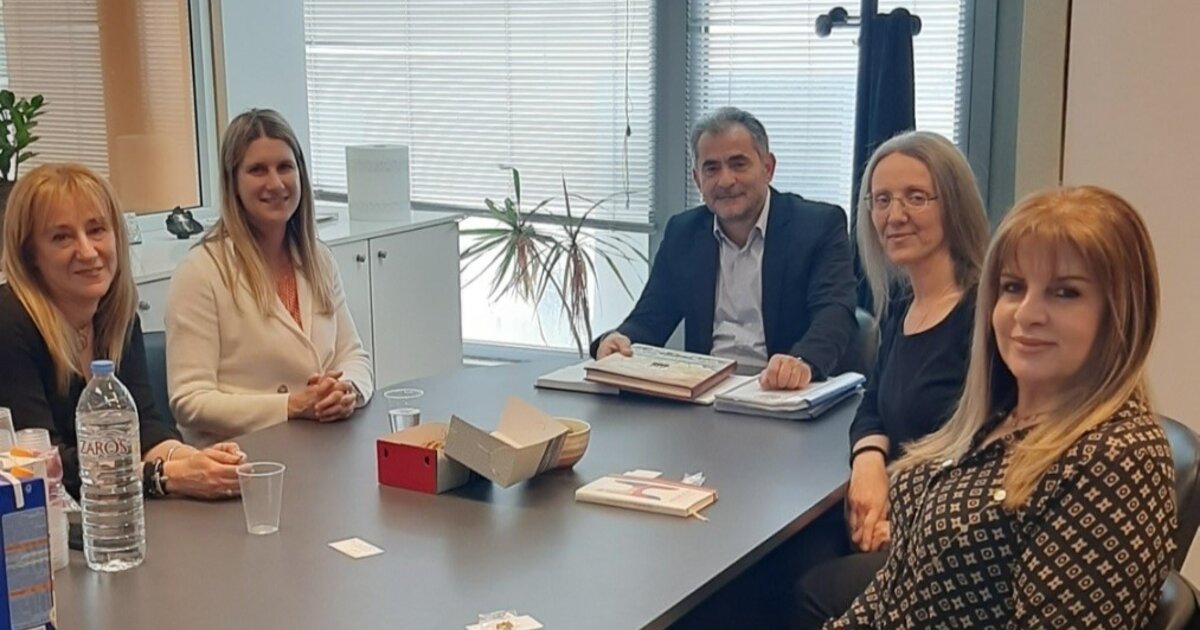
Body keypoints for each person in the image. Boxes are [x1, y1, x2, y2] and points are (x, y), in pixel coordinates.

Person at [821, 186, 1177, 628]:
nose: (1027, 314)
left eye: (1065, 293)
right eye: (1013, 287)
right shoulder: (998, 413)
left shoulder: (1118, 458)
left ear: (1122, 312)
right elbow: (896, 590)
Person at [794, 131, 990, 623]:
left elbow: (984, 455)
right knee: (782, 558)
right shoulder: (904, 303)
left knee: (813, 591)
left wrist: (904, 521)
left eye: (916, 197)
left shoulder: (984, 316)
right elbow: (874, 402)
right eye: (881, 200)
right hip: (896, 507)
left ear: (954, 205)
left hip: (946, 536)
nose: (894, 215)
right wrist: (868, 464)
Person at [0, 163, 243, 500]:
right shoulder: (9, 322)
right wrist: (163, 475)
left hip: (116, 513)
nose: (87, 251)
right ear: (31, 256)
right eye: (62, 237)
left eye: (96, 230)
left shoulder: (117, 314)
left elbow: (146, 426)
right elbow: (44, 465)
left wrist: (197, 461)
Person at [590, 107, 857, 390]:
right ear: (697, 179)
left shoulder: (817, 226)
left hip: (782, 391)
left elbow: (835, 313)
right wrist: (618, 340)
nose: (726, 181)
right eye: (712, 168)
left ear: (767, 168)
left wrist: (803, 362)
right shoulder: (684, 233)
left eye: (738, 164)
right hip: (705, 395)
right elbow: (650, 319)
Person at [166, 109, 373, 444]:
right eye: (257, 170)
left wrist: (345, 389)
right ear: (233, 182)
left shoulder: (319, 259)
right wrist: (291, 405)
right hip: (242, 457)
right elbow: (189, 401)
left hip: (321, 445)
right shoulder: (201, 272)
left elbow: (354, 356)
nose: (275, 184)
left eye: (285, 167)